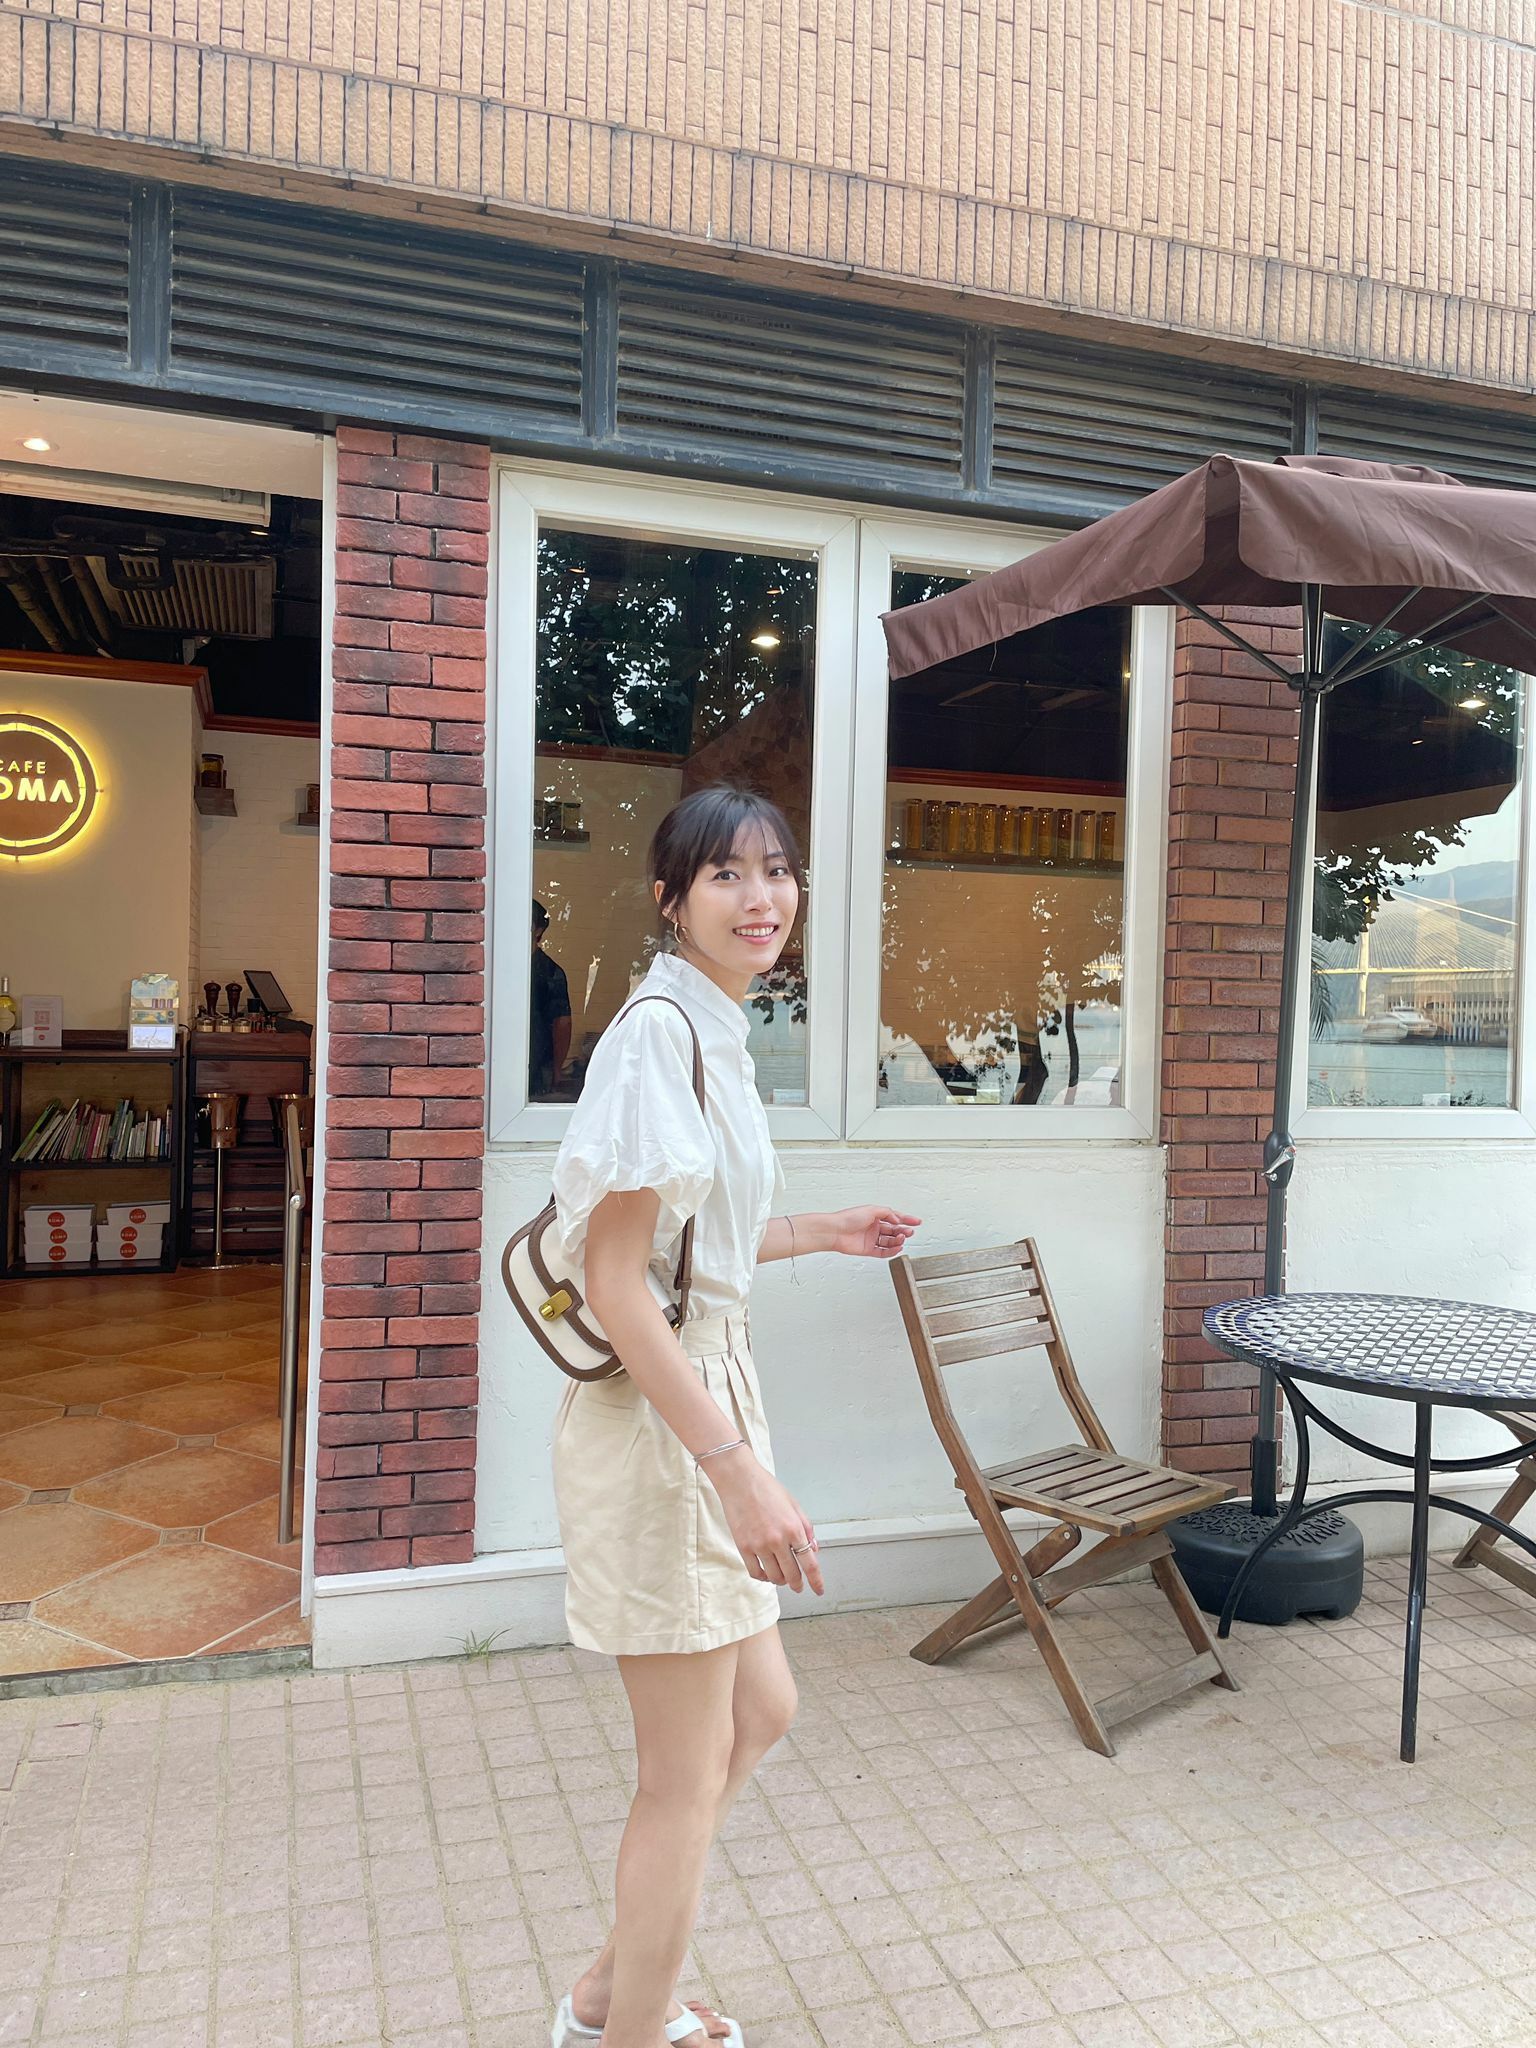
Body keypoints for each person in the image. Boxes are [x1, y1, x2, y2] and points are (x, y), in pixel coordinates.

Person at [548, 783, 921, 2048]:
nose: (762, 897)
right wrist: (737, 1472)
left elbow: (683, 1248)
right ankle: (631, 2025)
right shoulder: (656, 1036)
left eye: (777, 870)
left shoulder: (713, 1026)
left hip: (705, 1406)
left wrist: (820, 1229)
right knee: (678, 1773)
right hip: (671, 1433)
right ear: (671, 899)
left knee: (761, 1711)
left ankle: (608, 1990)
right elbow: (616, 1287)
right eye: (727, 875)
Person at [531, 898, 573, 1099]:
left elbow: (563, 1024)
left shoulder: (551, 972)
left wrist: (556, 1070)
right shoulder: (504, 965)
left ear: (538, 930)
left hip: (539, 1067)